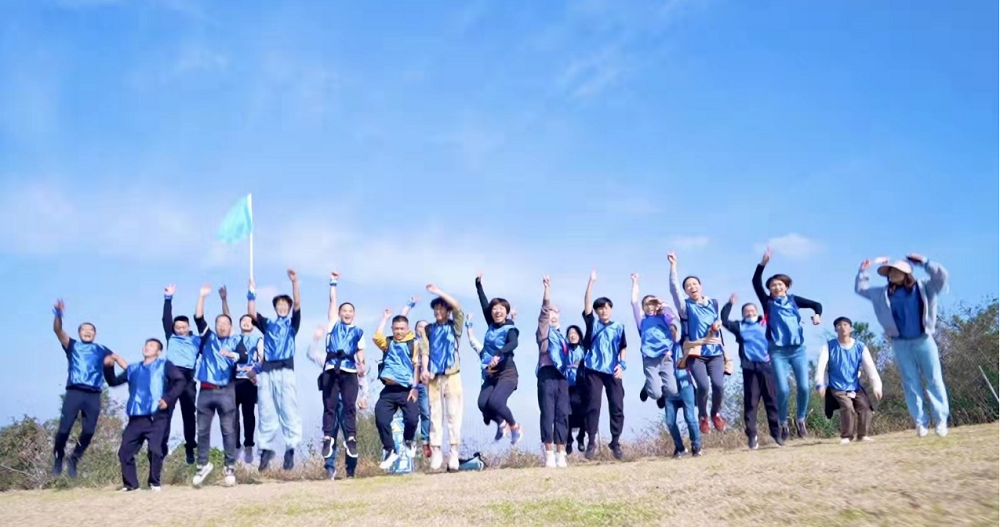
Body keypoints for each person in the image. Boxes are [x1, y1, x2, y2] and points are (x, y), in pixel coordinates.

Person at [855, 254, 948, 437]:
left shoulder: (924, 287)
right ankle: (920, 422)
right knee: (910, 383)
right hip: (900, 343)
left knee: (934, 380)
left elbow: (941, 277)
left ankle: (941, 420)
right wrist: (863, 271)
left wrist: (925, 262)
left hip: (924, 340)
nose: (892, 274)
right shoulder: (882, 294)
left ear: (906, 273)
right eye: (890, 271)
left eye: (896, 270)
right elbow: (861, 289)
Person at [753, 248, 823, 441]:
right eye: (773, 285)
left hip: (798, 350)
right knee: (783, 389)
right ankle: (783, 423)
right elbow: (755, 282)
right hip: (778, 352)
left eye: (779, 284)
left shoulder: (794, 300)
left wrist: (817, 315)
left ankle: (801, 420)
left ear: (786, 287)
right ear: (770, 289)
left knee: (804, 387)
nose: (776, 287)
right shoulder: (768, 302)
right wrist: (762, 264)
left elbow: (816, 305)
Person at [103, 339, 186, 492]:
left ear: (158, 352)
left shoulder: (164, 365)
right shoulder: (133, 368)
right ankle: (131, 485)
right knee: (125, 451)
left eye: (152, 346)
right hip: (136, 417)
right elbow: (113, 382)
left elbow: (180, 381)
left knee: (155, 449)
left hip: (156, 416)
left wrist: (168, 399)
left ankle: (154, 483)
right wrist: (108, 367)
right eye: (146, 345)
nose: (147, 347)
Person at [192, 284, 249, 487]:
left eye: (226, 323)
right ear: (215, 326)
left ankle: (230, 467)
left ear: (230, 327)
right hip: (205, 391)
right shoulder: (208, 338)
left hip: (226, 391)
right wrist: (202, 296)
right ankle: (202, 465)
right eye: (219, 323)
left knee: (228, 431)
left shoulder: (235, 341)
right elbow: (198, 318)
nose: (222, 326)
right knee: (202, 432)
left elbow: (244, 356)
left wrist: (232, 355)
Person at [51, 300, 115, 478]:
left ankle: (74, 459)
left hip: (93, 394)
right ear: (79, 333)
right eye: (84, 329)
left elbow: (112, 366)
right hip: (75, 392)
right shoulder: (73, 345)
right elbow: (58, 330)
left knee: (88, 431)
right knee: (64, 429)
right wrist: (58, 314)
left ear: (95, 333)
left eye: (91, 330)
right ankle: (58, 456)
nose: (87, 332)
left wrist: (111, 365)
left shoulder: (102, 349)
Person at [249, 269, 303, 471]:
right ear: (275, 307)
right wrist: (251, 292)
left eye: (285, 305)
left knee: (288, 408)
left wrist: (294, 282)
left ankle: (291, 448)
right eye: (279, 305)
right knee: (266, 410)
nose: (282, 307)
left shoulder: (292, 325)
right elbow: (251, 313)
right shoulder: (268, 324)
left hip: (285, 370)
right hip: (266, 371)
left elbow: (298, 305)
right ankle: (265, 449)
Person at [668, 252, 727, 434]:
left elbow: (717, 324)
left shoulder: (713, 303)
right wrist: (673, 266)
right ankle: (703, 416)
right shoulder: (685, 307)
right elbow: (674, 288)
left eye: (695, 284)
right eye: (688, 286)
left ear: (701, 286)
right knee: (703, 386)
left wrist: (717, 326)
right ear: (686, 291)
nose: (692, 287)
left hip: (715, 351)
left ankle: (715, 413)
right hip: (695, 353)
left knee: (718, 385)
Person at [721, 294, 782, 450]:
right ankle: (752, 435)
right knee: (751, 403)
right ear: (743, 314)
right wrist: (729, 304)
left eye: (752, 310)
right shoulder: (739, 326)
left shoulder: (766, 323)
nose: (750, 313)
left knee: (771, 400)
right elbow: (724, 320)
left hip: (767, 366)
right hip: (750, 368)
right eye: (746, 311)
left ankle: (776, 433)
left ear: (757, 312)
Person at [307, 325, 367, 480]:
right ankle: (329, 469)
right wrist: (316, 338)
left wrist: (364, 396)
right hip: (332, 405)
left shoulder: (353, 362)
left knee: (350, 437)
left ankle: (350, 471)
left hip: (347, 406)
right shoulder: (329, 360)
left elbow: (362, 377)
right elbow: (311, 353)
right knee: (329, 435)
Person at [319, 271, 367, 460]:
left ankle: (351, 439)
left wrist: (362, 366)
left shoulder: (358, 332)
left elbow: (361, 354)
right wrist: (333, 283)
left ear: (354, 314)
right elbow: (332, 302)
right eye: (344, 311)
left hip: (349, 371)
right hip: (332, 369)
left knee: (349, 406)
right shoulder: (333, 325)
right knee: (329, 405)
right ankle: (327, 438)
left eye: (350, 311)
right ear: (339, 314)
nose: (347, 313)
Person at [580, 271, 628, 461]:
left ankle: (615, 441)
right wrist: (591, 282)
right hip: (593, 370)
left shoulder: (619, 327)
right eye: (599, 308)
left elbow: (623, 348)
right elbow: (586, 303)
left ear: (611, 309)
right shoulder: (593, 324)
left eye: (606, 307)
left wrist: (622, 365)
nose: (603, 311)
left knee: (617, 405)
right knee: (593, 405)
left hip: (613, 370)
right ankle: (591, 440)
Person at [418, 284, 465, 471]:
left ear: (447, 311)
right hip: (434, 377)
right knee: (435, 414)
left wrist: (438, 292)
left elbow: (458, 307)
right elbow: (425, 351)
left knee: (454, 413)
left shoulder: (455, 325)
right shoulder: (428, 329)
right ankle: (436, 450)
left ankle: (454, 451)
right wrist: (424, 369)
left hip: (452, 374)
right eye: (436, 309)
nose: (438, 311)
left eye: (441, 308)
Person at [815, 317, 884, 444]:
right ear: (835, 329)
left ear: (851, 328)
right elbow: (821, 366)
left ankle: (862, 435)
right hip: (837, 386)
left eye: (845, 324)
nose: (842, 327)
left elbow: (870, 367)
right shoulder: (829, 346)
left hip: (854, 386)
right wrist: (820, 384)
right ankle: (846, 436)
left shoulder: (860, 347)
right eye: (839, 325)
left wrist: (877, 386)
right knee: (847, 406)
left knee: (865, 407)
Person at [475, 274, 522, 446]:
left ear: (506, 312)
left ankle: (514, 427)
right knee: (483, 404)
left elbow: (513, 343)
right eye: (495, 309)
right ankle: (501, 423)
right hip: (491, 373)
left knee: (496, 402)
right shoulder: (491, 325)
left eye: (501, 308)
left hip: (507, 373)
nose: (497, 311)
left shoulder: (510, 328)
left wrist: (498, 353)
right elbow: (484, 304)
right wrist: (478, 285)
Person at [372, 308, 420, 470]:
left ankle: (409, 441)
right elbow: (376, 337)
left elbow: (417, 366)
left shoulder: (414, 344)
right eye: (396, 329)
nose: (399, 332)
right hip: (389, 390)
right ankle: (390, 449)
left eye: (402, 329)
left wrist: (415, 387)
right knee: (381, 418)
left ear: (407, 329)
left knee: (412, 419)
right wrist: (385, 318)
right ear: (392, 329)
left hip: (406, 389)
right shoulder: (388, 343)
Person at [220, 286, 263, 464]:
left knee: (248, 414)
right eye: (243, 320)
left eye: (249, 321)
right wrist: (224, 299)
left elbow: (263, 359)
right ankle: (236, 445)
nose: (246, 322)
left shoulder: (257, 339)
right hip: (233, 381)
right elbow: (227, 317)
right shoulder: (234, 338)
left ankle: (249, 445)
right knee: (233, 416)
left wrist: (255, 371)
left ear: (253, 325)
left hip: (249, 381)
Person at [161, 285, 201, 464]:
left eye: (183, 327)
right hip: (170, 377)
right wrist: (168, 298)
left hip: (187, 378)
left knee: (189, 413)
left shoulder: (196, 340)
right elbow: (166, 318)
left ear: (188, 326)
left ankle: (190, 446)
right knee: (166, 411)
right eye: (177, 327)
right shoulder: (171, 337)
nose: (181, 330)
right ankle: (162, 445)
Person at [536, 275, 571, 468]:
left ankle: (561, 453)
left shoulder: (563, 337)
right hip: (547, 374)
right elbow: (543, 313)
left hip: (562, 377)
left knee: (562, 414)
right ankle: (549, 453)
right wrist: (547, 290)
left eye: (555, 312)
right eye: (550, 313)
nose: (552, 315)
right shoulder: (544, 332)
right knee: (547, 414)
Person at [631, 273, 679, 409]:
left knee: (673, 391)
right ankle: (649, 385)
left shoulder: (664, 317)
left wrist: (662, 303)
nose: (650, 307)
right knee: (656, 394)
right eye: (646, 304)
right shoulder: (642, 320)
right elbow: (634, 302)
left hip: (666, 357)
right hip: (650, 358)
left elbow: (672, 315)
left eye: (652, 304)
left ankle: (653, 384)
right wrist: (635, 283)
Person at [664, 330, 701, 458]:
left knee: (690, 418)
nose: (671, 334)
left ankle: (696, 445)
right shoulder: (660, 350)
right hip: (669, 390)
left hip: (685, 386)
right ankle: (680, 448)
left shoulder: (683, 345)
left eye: (673, 331)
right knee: (670, 421)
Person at [565, 325, 586, 454]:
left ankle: (581, 438)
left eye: (575, 333)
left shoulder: (583, 349)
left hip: (581, 385)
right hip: (566, 385)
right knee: (567, 413)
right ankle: (568, 440)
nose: (572, 335)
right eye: (570, 333)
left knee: (584, 412)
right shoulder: (564, 349)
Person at [413, 319, 432, 458]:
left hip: (425, 384)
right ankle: (410, 441)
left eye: (425, 327)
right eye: (420, 326)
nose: (422, 329)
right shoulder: (410, 343)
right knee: (411, 415)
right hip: (410, 384)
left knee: (426, 413)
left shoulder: (432, 345)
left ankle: (426, 441)